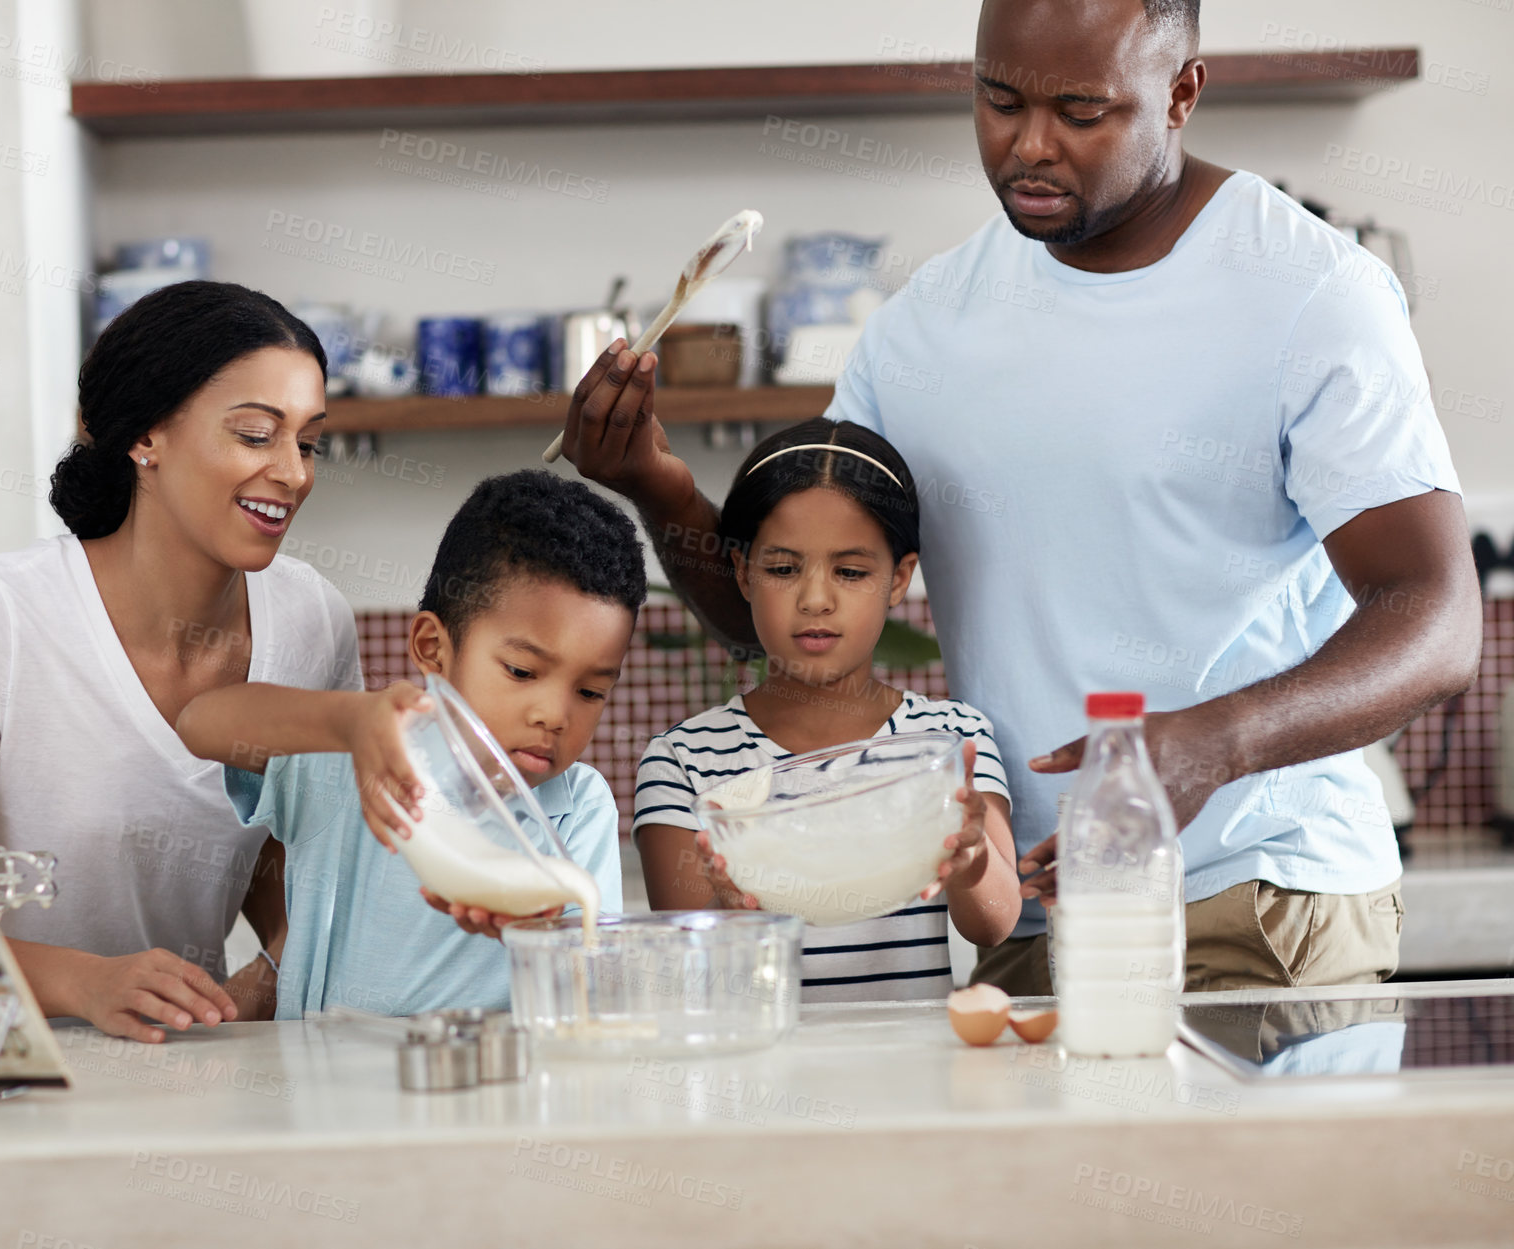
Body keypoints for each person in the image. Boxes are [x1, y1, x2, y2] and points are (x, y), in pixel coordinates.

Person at [555, 0, 1482, 996]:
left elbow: (1435, 616)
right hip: (1031, 915)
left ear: (1180, 94)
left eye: (1082, 113)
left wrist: (1215, 741)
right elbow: (775, 613)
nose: (1027, 146)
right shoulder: (922, 329)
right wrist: (654, 485)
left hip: (1248, 891)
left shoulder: (1309, 292)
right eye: (998, 101)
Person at [0, 280, 360, 1042]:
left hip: (185, 1073)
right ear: (146, 438)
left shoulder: (313, 623)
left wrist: (268, 977)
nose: (294, 472)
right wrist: (84, 980)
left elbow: (298, 876)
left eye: (308, 440)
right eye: (257, 434)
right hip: (3, 1068)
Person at [176, 471, 639, 1018]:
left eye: (590, 692)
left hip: (492, 1093)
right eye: (521, 670)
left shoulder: (576, 807)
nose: (555, 715)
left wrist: (542, 937)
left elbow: (591, 985)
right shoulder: (356, 759)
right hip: (325, 1093)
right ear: (432, 648)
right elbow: (200, 722)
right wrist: (347, 722)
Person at [634, 418, 1019, 1002]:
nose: (816, 599)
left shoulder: (947, 738)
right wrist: (727, 907)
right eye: (784, 569)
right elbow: (687, 964)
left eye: (851, 571)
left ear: (898, 579)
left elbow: (994, 921)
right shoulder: (685, 762)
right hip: (758, 1083)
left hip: (915, 1081)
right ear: (742, 572)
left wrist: (971, 859)